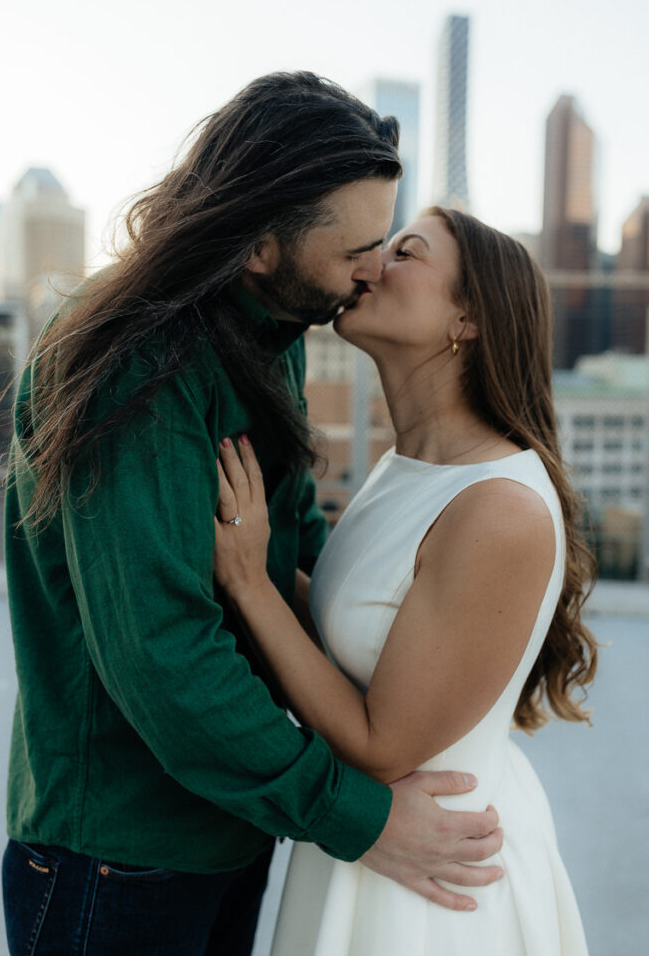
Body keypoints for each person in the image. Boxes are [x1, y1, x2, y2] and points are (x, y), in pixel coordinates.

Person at [1, 73, 505, 956]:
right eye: (356, 247)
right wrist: (360, 816)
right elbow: (164, 654)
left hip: (231, 831)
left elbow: (300, 548)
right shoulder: (135, 357)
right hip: (120, 857)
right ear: (259, 245)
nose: (373, 268)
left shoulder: (270, 340)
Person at [213, 206, 599, 955]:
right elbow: (356, 626)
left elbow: (380, 745)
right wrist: (252, 557)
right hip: (375, 846)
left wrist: (251, 584)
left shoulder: (498, 509)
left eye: (406, 253)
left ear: (467, 319)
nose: (370, 265)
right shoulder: (410, 466)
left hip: (439, 881)